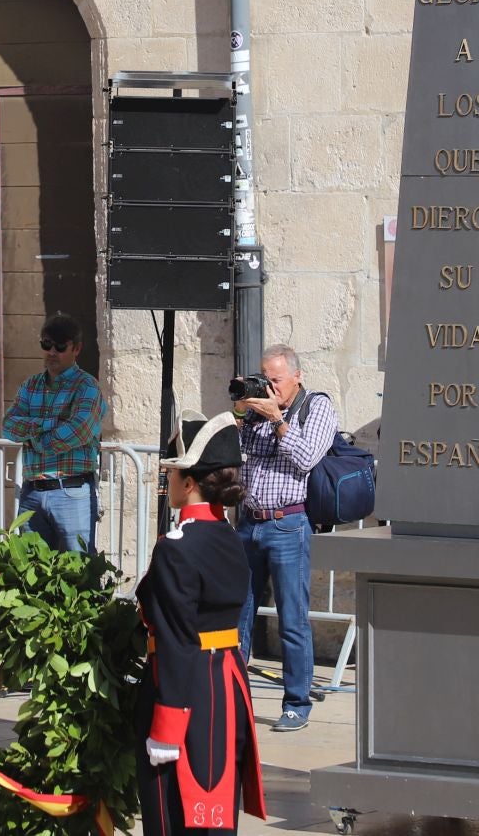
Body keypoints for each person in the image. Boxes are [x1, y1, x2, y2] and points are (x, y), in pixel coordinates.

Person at [138, 417, 265, 836]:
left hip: (184, 691)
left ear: (189, 482)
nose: (168, 480)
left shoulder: (178, 547)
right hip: (225, 686)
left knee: (172, 819)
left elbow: (175, 639)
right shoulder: (228, 537)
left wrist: (167, 725)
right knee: (214, 816)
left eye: (172, 471)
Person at [232, 343, 336, 732]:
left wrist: (278, 419)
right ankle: (233, 699)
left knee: (292, 620)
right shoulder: (257, 410)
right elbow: (237, 453)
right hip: (249, 523)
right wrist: (241, 415)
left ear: (297, 376)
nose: (269, 387)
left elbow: (307, 457)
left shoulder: (317, 406)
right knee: (238, 615)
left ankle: (296, 704)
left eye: (275, 380)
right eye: (264, 379)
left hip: (288, 525)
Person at [1, 312, 104, 553]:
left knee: (77, 571)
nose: (52, 352)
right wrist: (51, 423)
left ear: (76, 349)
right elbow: (9, 425)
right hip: (32, 491)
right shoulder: (31, 385)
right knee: (31, 570)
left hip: (72, 490)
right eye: (46, 344)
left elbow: (77, 431)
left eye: (60, 346)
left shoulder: (86, 386)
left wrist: (34, 438)